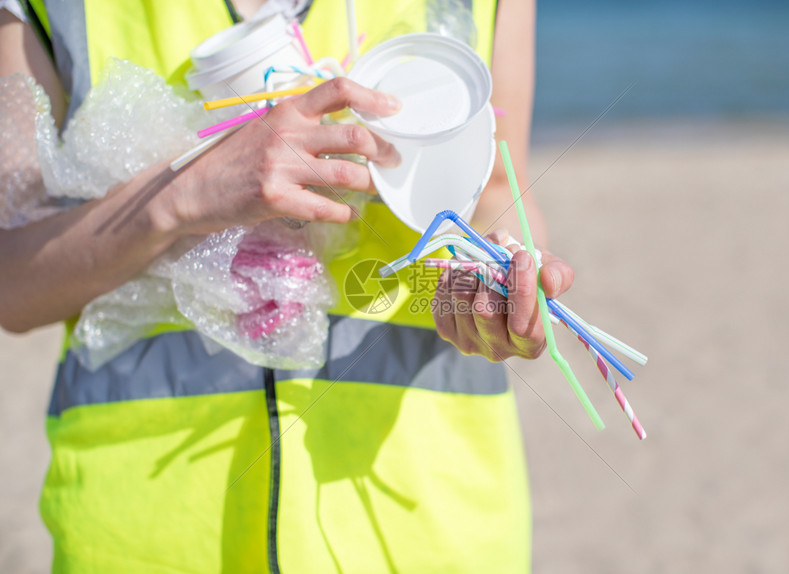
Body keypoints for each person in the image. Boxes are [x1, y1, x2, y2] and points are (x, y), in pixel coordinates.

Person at [0, 0, 575, 572]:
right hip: (155, 530)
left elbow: (498, 187)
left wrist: (499, 275)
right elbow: (14, 283)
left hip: (428, 521)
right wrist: (185, 194)